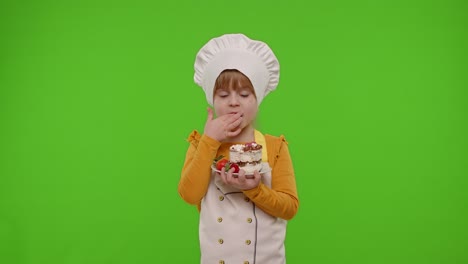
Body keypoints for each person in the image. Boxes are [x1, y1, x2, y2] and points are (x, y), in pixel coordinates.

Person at [178, 33, 299, 264]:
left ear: (258, 99)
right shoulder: (201, 145)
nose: (234, 102)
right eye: (223, 95)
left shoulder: (274, 147)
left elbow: (289, 208)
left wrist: (255, 189)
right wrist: (209, 141)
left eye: (244, 94)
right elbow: (189, 194)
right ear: (212, 99)